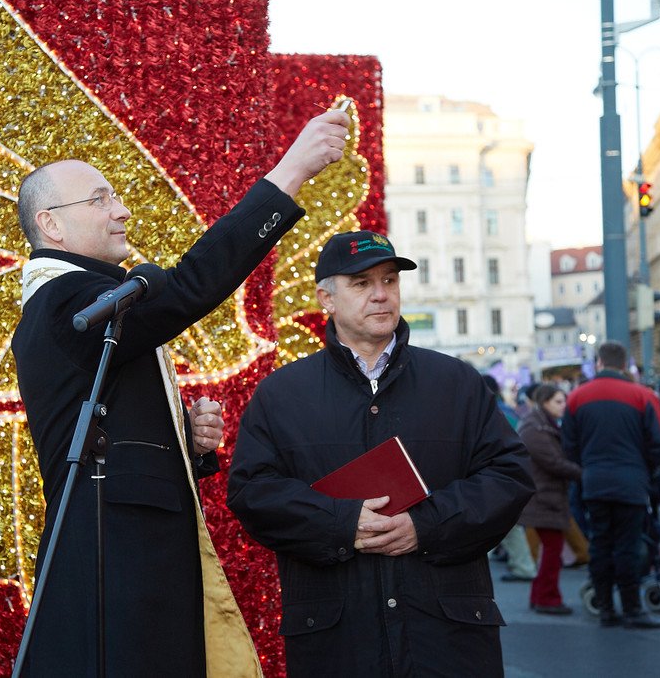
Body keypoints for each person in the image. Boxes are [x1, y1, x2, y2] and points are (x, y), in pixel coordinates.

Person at [11, 109, 351, 676]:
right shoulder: (63, 301)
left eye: (116, 197)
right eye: (99, 200)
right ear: (52, 225)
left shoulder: (85, 299)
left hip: (135, 559)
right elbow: (191, 286)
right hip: (114, 565)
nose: (121, 210)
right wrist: (290, 172)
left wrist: (182, 441)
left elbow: (111, 433)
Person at [227, 230, 534, 677]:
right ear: (326, 299)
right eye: (361, 283)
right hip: (339, 642)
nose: (381, 294)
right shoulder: (281, 394)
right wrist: (342, 523)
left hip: (446, 640)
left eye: (390, 280)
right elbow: (252, 492)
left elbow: (510, 475)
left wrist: (425, 526)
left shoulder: (456, 382)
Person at [561, 340, 660, 628]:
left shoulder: (577, 397)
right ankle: (632, 608)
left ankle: (605, 607)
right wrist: (645, 471)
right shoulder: (643, 396)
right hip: (632, 482)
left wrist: (588, 467)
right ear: (624, 364)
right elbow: (657, 443)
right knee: (628, 545)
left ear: (599, 363)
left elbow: (568, 445)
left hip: (594, 481)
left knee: (600, 544)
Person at [516, 384, 582, 614]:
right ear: (545, 402)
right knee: (552, 550)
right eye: (558, 401)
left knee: (551, 550)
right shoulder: (535, 427)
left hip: (547, 495)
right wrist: (582, 473)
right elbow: (553, 462)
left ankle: (540, 595)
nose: (563, 406)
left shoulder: (541, 424)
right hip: (544, 497)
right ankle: (547, 598)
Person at [483, 374, 538, 583]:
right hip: (511, 472)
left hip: (495, 473)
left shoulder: (487, 411)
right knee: (508, 522)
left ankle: (523, 566)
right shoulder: (507, 411)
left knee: (501, 522)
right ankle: (522, 565)